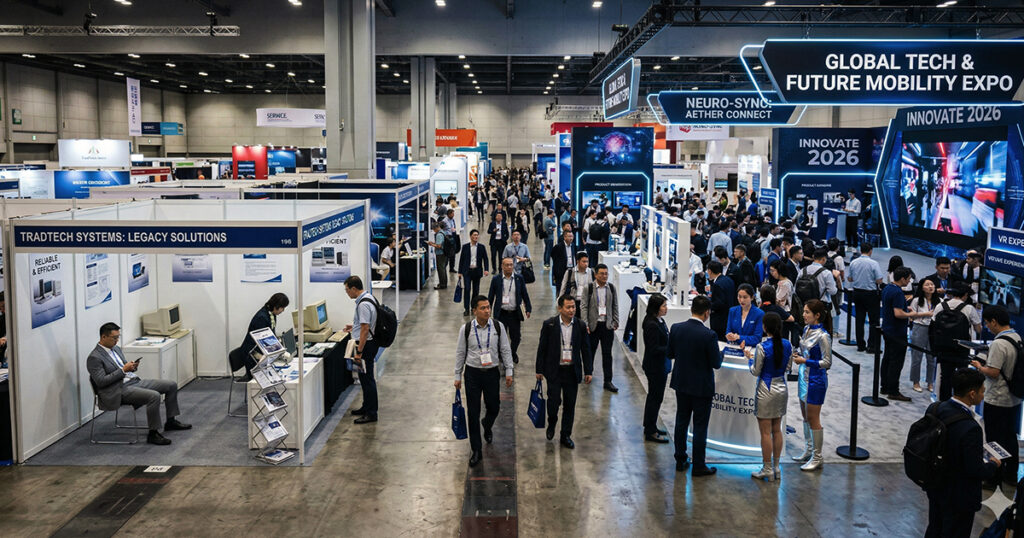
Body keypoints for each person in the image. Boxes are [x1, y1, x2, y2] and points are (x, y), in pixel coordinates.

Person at [86, 322, 191, 446]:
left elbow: (123, 369)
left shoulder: (116, 349)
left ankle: (171, 421)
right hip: (116, 390)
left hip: (133, 381)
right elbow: (101, 381)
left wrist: (132, 367)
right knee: (154, 396)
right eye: (114, 338)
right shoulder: (94, 357)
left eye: (118, 337)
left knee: (171, 385)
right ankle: (153, 433)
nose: (117, 340)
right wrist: (123, 370)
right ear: (103, 337)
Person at [924, 368, 1000, 537]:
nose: (983, 395)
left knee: (935, 528)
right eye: (982, 391)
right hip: (959, 496)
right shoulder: (971, 428)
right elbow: (975, 469)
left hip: (936, 485)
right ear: (972, 394)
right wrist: (993, 464)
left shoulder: (935, 408)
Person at [454, 295, 514, 467]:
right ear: (475, 311)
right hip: (472, 374)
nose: (487, 311)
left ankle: (487, 424)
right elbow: (460, 352)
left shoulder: (497, 327)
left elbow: (505, 349)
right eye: (483, 308)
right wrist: (457, 375)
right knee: (473, 412)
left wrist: (509, 370)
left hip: (492, 373)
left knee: (494, 406)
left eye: (488, 307)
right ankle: (476, 449)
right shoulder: (466, 329)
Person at [668, 295, 722, 477]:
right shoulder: (709, 335)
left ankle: (680, 459)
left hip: (681, 383)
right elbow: (716, 363)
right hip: (701, 387)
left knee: (681, 421)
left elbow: (670, 353)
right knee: (699, 426)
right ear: (707, 313)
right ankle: (699, 464)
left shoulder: (676, 328)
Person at [971, 305, 1021, 486]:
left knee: (994, 439)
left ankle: (993, 477)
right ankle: (1011, 475)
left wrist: (979, 367)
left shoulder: (999, 344)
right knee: (1010, 437)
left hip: (998, 398)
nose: (986, 326)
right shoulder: (1017, 337)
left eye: (987, 323)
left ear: (994, 322)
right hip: (1014, 398)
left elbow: (993, 372)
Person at [535, 295, 593, 449]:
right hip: (554, 371)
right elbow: (542, 348)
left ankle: (565, 435)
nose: (572, 310)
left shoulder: (580, 325)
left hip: (572, 371)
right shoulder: (550, 325)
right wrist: (539, 369)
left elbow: (586, 349)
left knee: (570, 404)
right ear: (560, 308)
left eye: (573, 307)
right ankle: (552, 421)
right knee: (553, 402)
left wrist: (588, 371)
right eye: (568, 307)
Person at [749, 312, 792, 481]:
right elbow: (788, 367)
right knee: (777, 429)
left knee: (765, 433)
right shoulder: (787, 344)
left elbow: (755, 371)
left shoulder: (762, 347)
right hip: (781, 387)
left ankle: (767, 468)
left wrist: (749, 360)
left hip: (765, 389)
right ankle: (776, 467)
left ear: (765, 327)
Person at [791, 299, 832, 471]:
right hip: (803, 377)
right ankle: (809, 449)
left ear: (817, 315)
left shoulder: (823, 336)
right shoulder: (806, 329)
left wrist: (805, 361)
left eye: (807, 312)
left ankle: (817, 456)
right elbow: (805, 352)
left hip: (816, 381)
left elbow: (827, 362)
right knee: (805, 416)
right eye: (804, 311)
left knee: (814, 419)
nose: (804, 314)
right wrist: (798, 356)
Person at [881, 267, 929, 401]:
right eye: (908, 279)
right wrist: (911, 314)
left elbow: (892, 307)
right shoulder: (897, 292)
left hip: (887, 329)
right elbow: (898, 313)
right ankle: (893, 390)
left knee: (887, 359)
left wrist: (904, 308)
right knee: (896, 362)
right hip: (897, 332)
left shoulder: (888, 288)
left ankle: (885, 386)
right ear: (902, 279)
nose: (909, 281)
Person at [934, 285, 983, 402]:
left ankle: (943, 403)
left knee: (945, 376)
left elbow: (933, 324)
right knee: (963, 377)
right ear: (965, 295)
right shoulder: (969, 308)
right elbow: (978, 329)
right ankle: (960, 402)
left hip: (943, 346)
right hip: (962, 347)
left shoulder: (940, 306)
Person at [344, 276, 380, 424]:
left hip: (366, 346)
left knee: (367, 379)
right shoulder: (368, 297)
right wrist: (354, 327)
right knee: (364, 379)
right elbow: (366, 324)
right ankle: (366, 407)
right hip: (369, 343)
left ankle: (371, 413)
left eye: (347, 290)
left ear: (354, 289)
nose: (347, 293)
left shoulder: (363, 304)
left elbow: (365, 329)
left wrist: (359, 352)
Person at [581, 263, 619, 393]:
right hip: (594, 325)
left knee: (607, 354)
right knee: (590, 351)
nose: (604, 276)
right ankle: (588, 373)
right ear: (596, 275)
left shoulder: (611, 288)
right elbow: (584, 306)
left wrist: (615, 321)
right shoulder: (589, 288)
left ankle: (608, 381)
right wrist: (585, 324)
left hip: (607, 326)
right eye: (602, 274)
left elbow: (615, 305)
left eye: (606, 274)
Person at [487, 257, 532, 364]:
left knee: (516, 337)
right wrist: (487, 309)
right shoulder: (496, 279)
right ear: (502, 266)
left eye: (511, 265)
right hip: (501, 313)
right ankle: (502, 355)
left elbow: (525, 294)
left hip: (514, 313)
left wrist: (528, 308)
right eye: (507, 265)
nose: (509, 267)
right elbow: (491, 296)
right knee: (499, 337)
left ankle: (512, 353)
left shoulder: (519, 278)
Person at [238, 292, 290, 381]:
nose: (283, 310)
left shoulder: (271, 314)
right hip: (252, 354)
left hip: (261, 352)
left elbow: (270, 334)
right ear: (276, 306)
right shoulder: (261, 317)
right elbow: (262, 341)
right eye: (282, 308)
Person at [641, 294, 671, 443]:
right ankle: (650, 430)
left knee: (656, 397)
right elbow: (654, 348)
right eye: (664, 306)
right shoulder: (651, 324)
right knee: (655, 397)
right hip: (655, 366)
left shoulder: (659, 320)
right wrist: (670, 349)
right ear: (656, 308)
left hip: (660, 365)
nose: (666, 308)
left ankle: (651, 425)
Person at [848, 243, 886, 353]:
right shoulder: (874, 263)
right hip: (870, 294)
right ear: (870, 251)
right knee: (873, 320)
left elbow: (850, 278)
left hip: (857, 292)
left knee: (859, 319)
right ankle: (871, 346)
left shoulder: (853, 262)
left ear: (860, 250)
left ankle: (860, 345)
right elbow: (879, 280)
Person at [909, 279, 937, 393]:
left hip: (934, 329)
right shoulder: (916, 300)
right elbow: (911, 316)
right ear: (922, 288)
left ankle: (930, 382)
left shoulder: (939, 301)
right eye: (927, 285)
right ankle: (916, 381)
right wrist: (926, 314)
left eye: (932, 284)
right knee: (917, 357)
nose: (930, 287)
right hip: (919, 328)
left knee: (932, 358)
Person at [458, 230, 490, 317]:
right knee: (467, 289)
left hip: (477, 271)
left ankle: (473, 307)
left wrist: (486, 269)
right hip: (467, 271)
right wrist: (460, 272)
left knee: (476, 291)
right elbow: (462, 259)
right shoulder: (465, 247)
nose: (476, 237)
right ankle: (466, 309)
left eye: (477, 235)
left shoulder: (481, 247)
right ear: (470, 236)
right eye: (474, 235)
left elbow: (485, 259)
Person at [725, 283, 765, 348]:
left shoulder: (759, 314)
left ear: (752, 297)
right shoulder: (732, 311)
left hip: (751, 349)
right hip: (734, 347)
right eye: (739, 297)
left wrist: (739, 337)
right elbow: (728, 331)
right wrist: (729, 336)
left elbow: (757, 338)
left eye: (745, 297)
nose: (742, 300)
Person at [707, 261, 736, 341]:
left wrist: (708, 303)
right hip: (729, 316)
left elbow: (718, 303)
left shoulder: (717, 284)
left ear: (710, 271)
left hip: (719, 319)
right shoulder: (728, 280)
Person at [427, 222, 449, 290]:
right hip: (444, 253)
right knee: (443, 269)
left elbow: (439, 246)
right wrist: (433, 243)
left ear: (436, 228)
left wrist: (431, 244)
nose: (434, 231)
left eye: (434, 229)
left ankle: (442, 284)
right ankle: (444, 283)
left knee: (441, 270)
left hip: (440, 254)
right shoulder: (443, 232)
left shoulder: (439, 235)